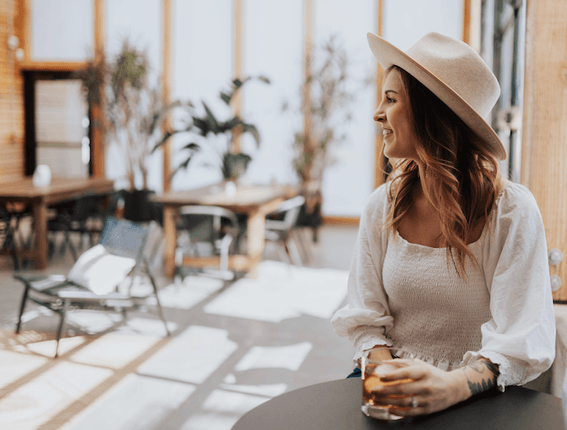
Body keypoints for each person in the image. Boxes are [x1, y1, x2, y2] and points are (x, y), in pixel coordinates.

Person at [331, 32, 555, 417]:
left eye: (390, 98)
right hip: (393, 385)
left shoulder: (511, 212)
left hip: (480, 395)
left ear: (428, 111)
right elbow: (365, 320)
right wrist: (389, 375)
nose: (377, 113)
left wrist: (450, 387)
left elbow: (520, 337)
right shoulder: (380, 207)